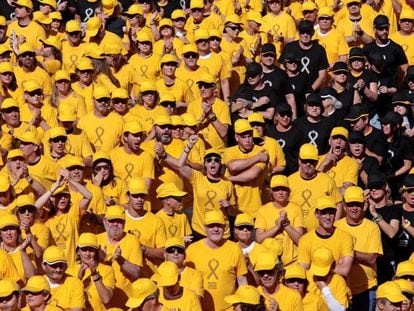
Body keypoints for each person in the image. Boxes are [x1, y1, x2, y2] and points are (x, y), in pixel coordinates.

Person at [185, 210, 248, 311]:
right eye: (211, 226)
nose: (215, 229)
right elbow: (185, 280)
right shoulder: (192, 250)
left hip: (228, 308)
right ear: (205, 228)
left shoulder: (234, 249)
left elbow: (242, 280)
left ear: (224, 228)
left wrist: (243, 305)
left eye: (219, 226)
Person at [335, 186, 383, 310]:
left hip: (366, 287)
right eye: (351, 204)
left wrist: (349, 254)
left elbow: (372, 258)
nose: (354, 208)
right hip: (342, 287)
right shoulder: (336, 226)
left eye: (358, 204)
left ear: (364, 205)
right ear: (344, 206)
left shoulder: (372, 227)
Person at [97, 205, 143, 308]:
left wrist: (120, 260)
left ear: (124, 223)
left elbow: (137, 273)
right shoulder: (96, 240)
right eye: (111, 221)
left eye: (119, 221)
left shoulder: (132, 240)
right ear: (104, 221)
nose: (115, 224)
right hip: (101, 305)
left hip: (125, 303)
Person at [297, 195, 354, 277]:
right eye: (324, 213)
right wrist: (334, 266)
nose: (328, 217)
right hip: (313, 288)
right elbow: (303, 270)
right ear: (316, 214)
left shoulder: (345, 237)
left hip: (338, 287)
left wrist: (316, 267)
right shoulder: (305, 240)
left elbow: (345, 270)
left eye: (331, 213)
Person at [288, 143, 341, 230]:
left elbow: (338, 203)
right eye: (305, 161)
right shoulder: (290, 181)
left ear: (317, 162)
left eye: (311, 161)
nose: (308, 164)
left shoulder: (327, 181)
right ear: (299, 161)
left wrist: (334, 226)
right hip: (295, 233)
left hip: (321, 234)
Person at [255, 175, 304, 267]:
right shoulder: (263, 210)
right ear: (271, 192)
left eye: (284, 189)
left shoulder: (296, 209)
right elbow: (259, 238)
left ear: (288, 192)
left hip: (292, 261)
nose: (280, 192)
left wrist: (286, 225)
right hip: (270, 261)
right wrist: (277, 227)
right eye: (277, 189)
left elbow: (300, 240)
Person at [223, 119, 268, 217]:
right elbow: (233, 166)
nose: (248, 140)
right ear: (236, 137)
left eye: (249, 136)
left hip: (255, 210)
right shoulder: (229, 151)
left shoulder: (262, 151)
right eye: (243, 137)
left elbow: (252, 174)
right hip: (234, 208)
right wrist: (257, 158)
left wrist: (230, 179)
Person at [123, 177, 166, 277]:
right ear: (128, 197)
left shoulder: (156, 220)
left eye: (142, 196)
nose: (139, 199)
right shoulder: (120, 220)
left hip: (150, 276)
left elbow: (163, 252)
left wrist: (142, 248)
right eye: (135, 196)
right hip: (125, 278)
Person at [365, 173, 401, 284]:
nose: (374, 190)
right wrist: (364, 206)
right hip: (369, 261)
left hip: (388, 260)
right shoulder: (364, 211)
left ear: (385, 187)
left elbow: (392, 232)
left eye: (377, 186)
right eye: (371, 188)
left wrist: (375, 214)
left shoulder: (394, 209)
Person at [66, 233, 115, 311]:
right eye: (84, 249)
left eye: (91, 250)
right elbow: (67, 301)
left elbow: (106, 299)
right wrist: (78, 279)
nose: (88, 254)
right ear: (78, 251)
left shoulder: (107, 270)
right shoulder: (69, 271)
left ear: (96, 251)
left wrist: (95, 274)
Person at [280, 20, 329, 92]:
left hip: (312, 91)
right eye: (302, 32)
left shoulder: (319, 50)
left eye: (308, 32)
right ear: (298, 33)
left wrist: (309, 91)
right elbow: (282, 69)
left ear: (313, 33)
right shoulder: (289, 47)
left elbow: (322, 76)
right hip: (291, 90)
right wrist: (288, 89)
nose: (305, 35)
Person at [186, 73, 230, 151]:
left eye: (206, 86)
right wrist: (202, 117)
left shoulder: (223, 106)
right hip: (198, 150)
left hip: (219, 152)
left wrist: (210, 114)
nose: (202, 89)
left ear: (214, 88)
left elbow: (223, 132)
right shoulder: (192, 106)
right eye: (200, 86)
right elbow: (189, 132)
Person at [363, 15, 408, 86]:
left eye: (386, 28)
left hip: (391, 89)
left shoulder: (396, 48)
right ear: (374, 29)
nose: (384, 31)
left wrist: (399, 86)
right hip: (373, 89)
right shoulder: (368, 48)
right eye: (381, 29)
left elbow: (405, 70)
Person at [77, 86, 124, 152]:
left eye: (105, 100)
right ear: (93, 99)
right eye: (100, 100)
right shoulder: (83, 122)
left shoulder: (119, 120)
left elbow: (125, 144)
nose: (103, 103)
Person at [381, 111, 413, 200]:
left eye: (387, 124)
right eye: (383, 123)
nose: (383, 126)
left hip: (400, 182)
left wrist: (392, 176)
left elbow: (407, 165)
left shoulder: (404, 142)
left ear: (396, 126)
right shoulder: (381, 140)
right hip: (384, 181)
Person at [109, 120, 154, 185]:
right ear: (125, 137)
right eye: (135, 135)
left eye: (140, 135)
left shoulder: (147, 157)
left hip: (136, 194)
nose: (139, 139)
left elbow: (146, 186)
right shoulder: (112, 155)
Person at [41, 246, 85, 310]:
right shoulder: (37, 284)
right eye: (54, 265)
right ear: (44, 266)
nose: (58, 270)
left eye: (61, 265)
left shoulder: (75, 283)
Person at [317, 127, 359, 193]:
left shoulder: (352, 163)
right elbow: (310, 183)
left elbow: (345, 190)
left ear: (346, 144)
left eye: (342, 139)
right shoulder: (318, 159)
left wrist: (323, 190)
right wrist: (323, 164)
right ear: (329, 141)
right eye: (335, 138)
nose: (339, 141)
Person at [0, 213, 36, 282]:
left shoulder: (26, 250)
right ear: (0, 234)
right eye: (5, 229)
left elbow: (31, 276)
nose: (8, 233)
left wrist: (23, 251)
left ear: (18, 232)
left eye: (12, 229)